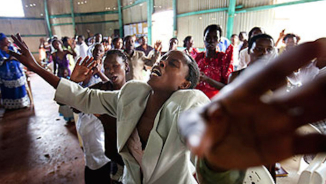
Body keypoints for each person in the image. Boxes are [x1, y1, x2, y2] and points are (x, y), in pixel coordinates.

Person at [12, 33, 326, 184]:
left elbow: (201, 120)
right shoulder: (131, 94)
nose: (161, 62)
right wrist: (37, 68)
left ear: (184, 83)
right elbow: (81, 96)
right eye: (163, 59)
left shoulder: (190, 101)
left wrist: (219, 156)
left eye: (172, 63)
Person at [195, 24, 233, 99]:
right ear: (204, 39)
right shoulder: (198, 57)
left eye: (215, 38)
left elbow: (227, 87)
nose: (211, 41)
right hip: (196, 97)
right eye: (208, 37)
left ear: (219, 40)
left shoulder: (223, 59)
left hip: (214, 100)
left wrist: (207, 79)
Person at [0, 33, 31, 109]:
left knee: (20, 86)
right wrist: (8, 59)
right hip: (6, 73)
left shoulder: (12, 48)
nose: (7, 40)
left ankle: (22, 103)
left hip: (17, 71)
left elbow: (19, 57)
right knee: (8, 89)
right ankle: (10, 106)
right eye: (5, 39)